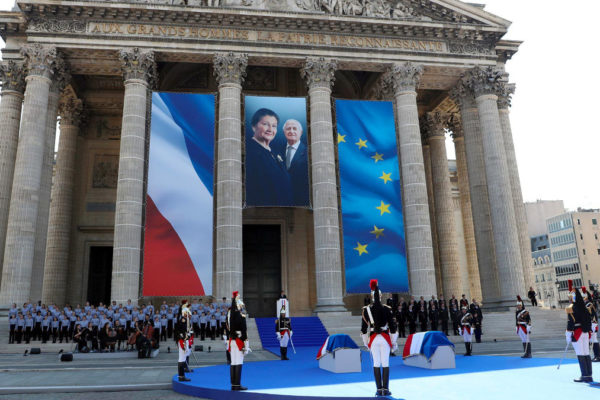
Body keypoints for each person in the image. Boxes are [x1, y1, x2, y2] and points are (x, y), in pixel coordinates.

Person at [245, 108, 292, 206]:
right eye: (265, 124)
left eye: (274, 126)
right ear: (254, 126)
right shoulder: (248, 152)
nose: (270, 129)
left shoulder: (276, 153)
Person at [360, 279, 398, 397]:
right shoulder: (387, 308)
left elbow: (363, 329)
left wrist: (366, 342)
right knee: (385, 363)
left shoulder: (366, 310)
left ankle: (378, 389)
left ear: (372, 297)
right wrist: (393, 342)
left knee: (376, 363)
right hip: (385, 338)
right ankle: (385, 389)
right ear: (380, 296)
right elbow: (393, 327)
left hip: (373, 339)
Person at [565, 280, 593, 382]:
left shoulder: (571, 308)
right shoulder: (585, 308)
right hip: (585, 332)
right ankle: (589, 375)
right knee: (586, 353)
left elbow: (570, 322)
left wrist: (568, 334)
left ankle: (584, 375)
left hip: (577, 332)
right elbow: (589, 320)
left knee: (580, 353)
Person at [280, 119, 309, 206]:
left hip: (302, 202)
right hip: (280, 200)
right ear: (284, 132)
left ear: (301, 132)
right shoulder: (277, 150)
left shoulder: (309, 152)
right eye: (288, 129)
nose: (291, 131)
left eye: (294, 128)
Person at [227, 291, 250, 391]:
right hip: (239, 340)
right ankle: (237, 384)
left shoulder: (231, 316)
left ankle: (233, 385)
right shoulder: (241, 316)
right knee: (239, 362)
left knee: (233, 362)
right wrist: (245, 341)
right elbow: (244, 330)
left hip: (232, 340)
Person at [582, 287, 600, 362]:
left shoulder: (588, 304)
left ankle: (597, 356)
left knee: (593, 339)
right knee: (592, 339)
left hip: (592, 323)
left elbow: (591, 315)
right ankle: (596, 355)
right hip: (591, 323)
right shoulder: (587, 303)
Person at [175, 305, 191, 382]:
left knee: (183, 358)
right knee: (181, 358)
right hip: (182, 340)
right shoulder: (182, 320)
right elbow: (181, 331)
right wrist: (185, 336)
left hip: (183, 340)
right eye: (187, 312)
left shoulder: (183, 319)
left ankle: (182, 376)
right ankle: (181, 376)